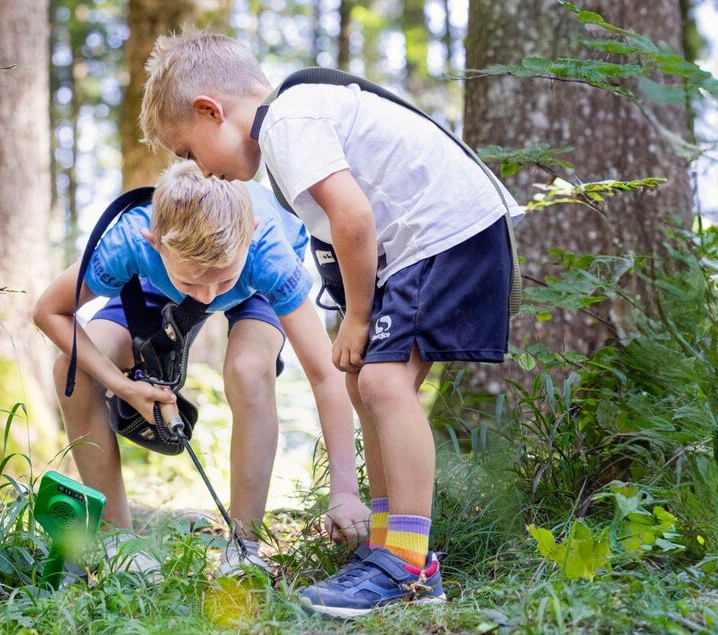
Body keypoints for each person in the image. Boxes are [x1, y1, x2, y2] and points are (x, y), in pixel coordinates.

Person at [138, 31, 522, 616]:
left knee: (383, 384)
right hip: (415, 247)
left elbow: (354, 217)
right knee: (363, 381)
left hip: (445, 233)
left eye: (188, 151)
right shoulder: (285, 139)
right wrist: (355, 321)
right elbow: (340, 232)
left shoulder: (289, 123)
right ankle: (389, 547)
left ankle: (411, 566)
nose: (198, 170)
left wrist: (359, 318)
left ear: (210, 110)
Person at [33, 161, 369, 579]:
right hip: (159, 284)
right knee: (73, 369)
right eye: (196, 284)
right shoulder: (130, 240)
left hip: (252, 284)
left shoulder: (266, 251)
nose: (208, 295)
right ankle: (121, 542)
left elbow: (324, 373)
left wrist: (345, 491)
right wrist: (124, 386)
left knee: (248, 369)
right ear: (152, 242)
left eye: (218, 282)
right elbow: (49, 311)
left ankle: (244, 548)